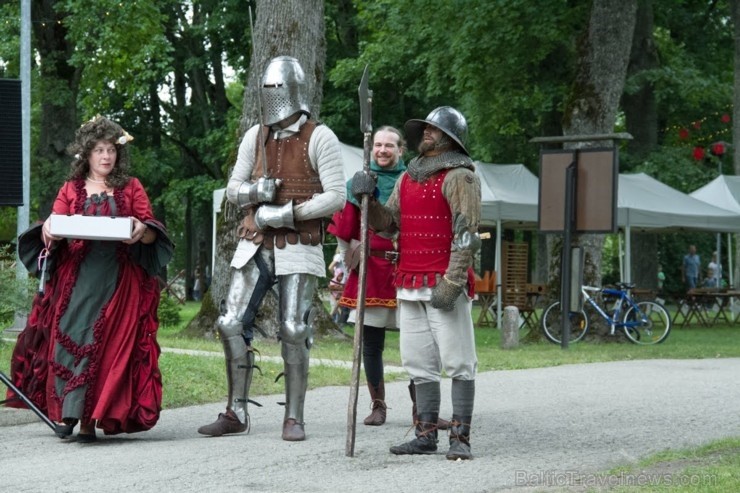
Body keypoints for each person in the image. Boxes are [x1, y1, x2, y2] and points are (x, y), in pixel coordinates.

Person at [197, 56, 345, 441]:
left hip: (299, 242)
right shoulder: (255, 135)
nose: (272, 97)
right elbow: (232, 189)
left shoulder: (320, 136)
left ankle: (294, 417)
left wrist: (285, 214)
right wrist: (253, 191)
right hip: (255, 242)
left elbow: (336, 197)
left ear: (294, 92)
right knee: (229, 322)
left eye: (277, 89)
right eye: (268, 90)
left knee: (294, 329)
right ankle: (236, 411)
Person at [6, 115, 174, 442]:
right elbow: (52, 228)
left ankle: (89, 422)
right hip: (77, 279)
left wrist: (142, 233)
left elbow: (151, 230)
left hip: (119, 280)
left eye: (111, 149)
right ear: (87, 153)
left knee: (107, 348)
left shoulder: (131, 187)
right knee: (69, 339)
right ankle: (67, 413)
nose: (106, 156)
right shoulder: (71, 189)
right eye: (99, 150)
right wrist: (48, 230)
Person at [351, 106, 481, 460]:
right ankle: (425, 434)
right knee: (418, 362)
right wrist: (369, 199)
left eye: (434, 130)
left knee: (458, 362)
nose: (426, 133)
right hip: (408, 282)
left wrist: (453, 281)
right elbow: (389, 224)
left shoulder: (460, 176)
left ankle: (460, 439)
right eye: (425, 128)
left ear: (451, 137)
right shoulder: (408, 177)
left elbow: (467, 234)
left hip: (443, 281)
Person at [328, 126, 410, 427]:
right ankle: (378, 405)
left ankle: (421, 409)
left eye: (390, 145)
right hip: (372, 272)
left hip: (407, 271)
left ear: (401, 149)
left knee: (416, 343)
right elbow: (344, 230)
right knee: (371, 345)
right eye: (378, 145)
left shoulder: (411, 181)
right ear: (371, 148)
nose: (382, 150)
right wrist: (350, 262)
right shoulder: (357, 184)